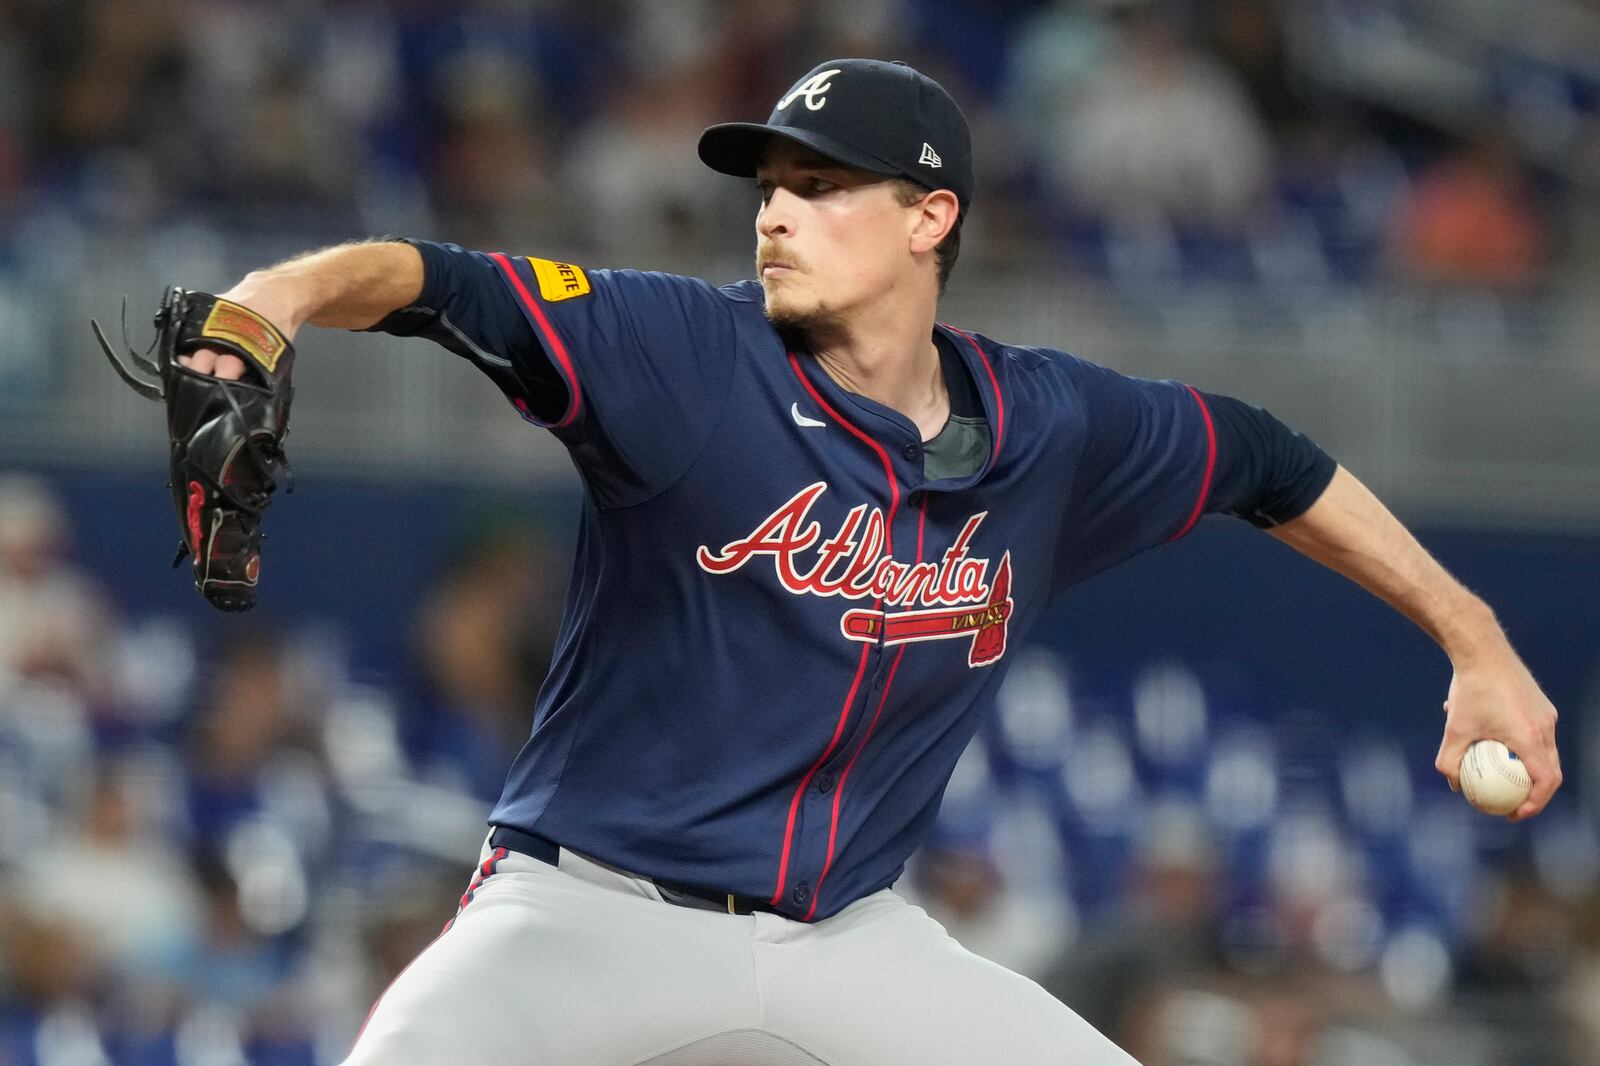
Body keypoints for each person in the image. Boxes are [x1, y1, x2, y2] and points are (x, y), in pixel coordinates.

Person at [177, 58, 1561, 1066]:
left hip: (846, 938)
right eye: (769, 185)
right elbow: (437, 282)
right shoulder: (679, 356)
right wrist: (274, 301)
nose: (774, 211)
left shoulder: (1050, 425)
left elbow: (1267, 459)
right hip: (584, 906)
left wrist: (1474, 636)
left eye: (822, 186)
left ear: (929, 218)